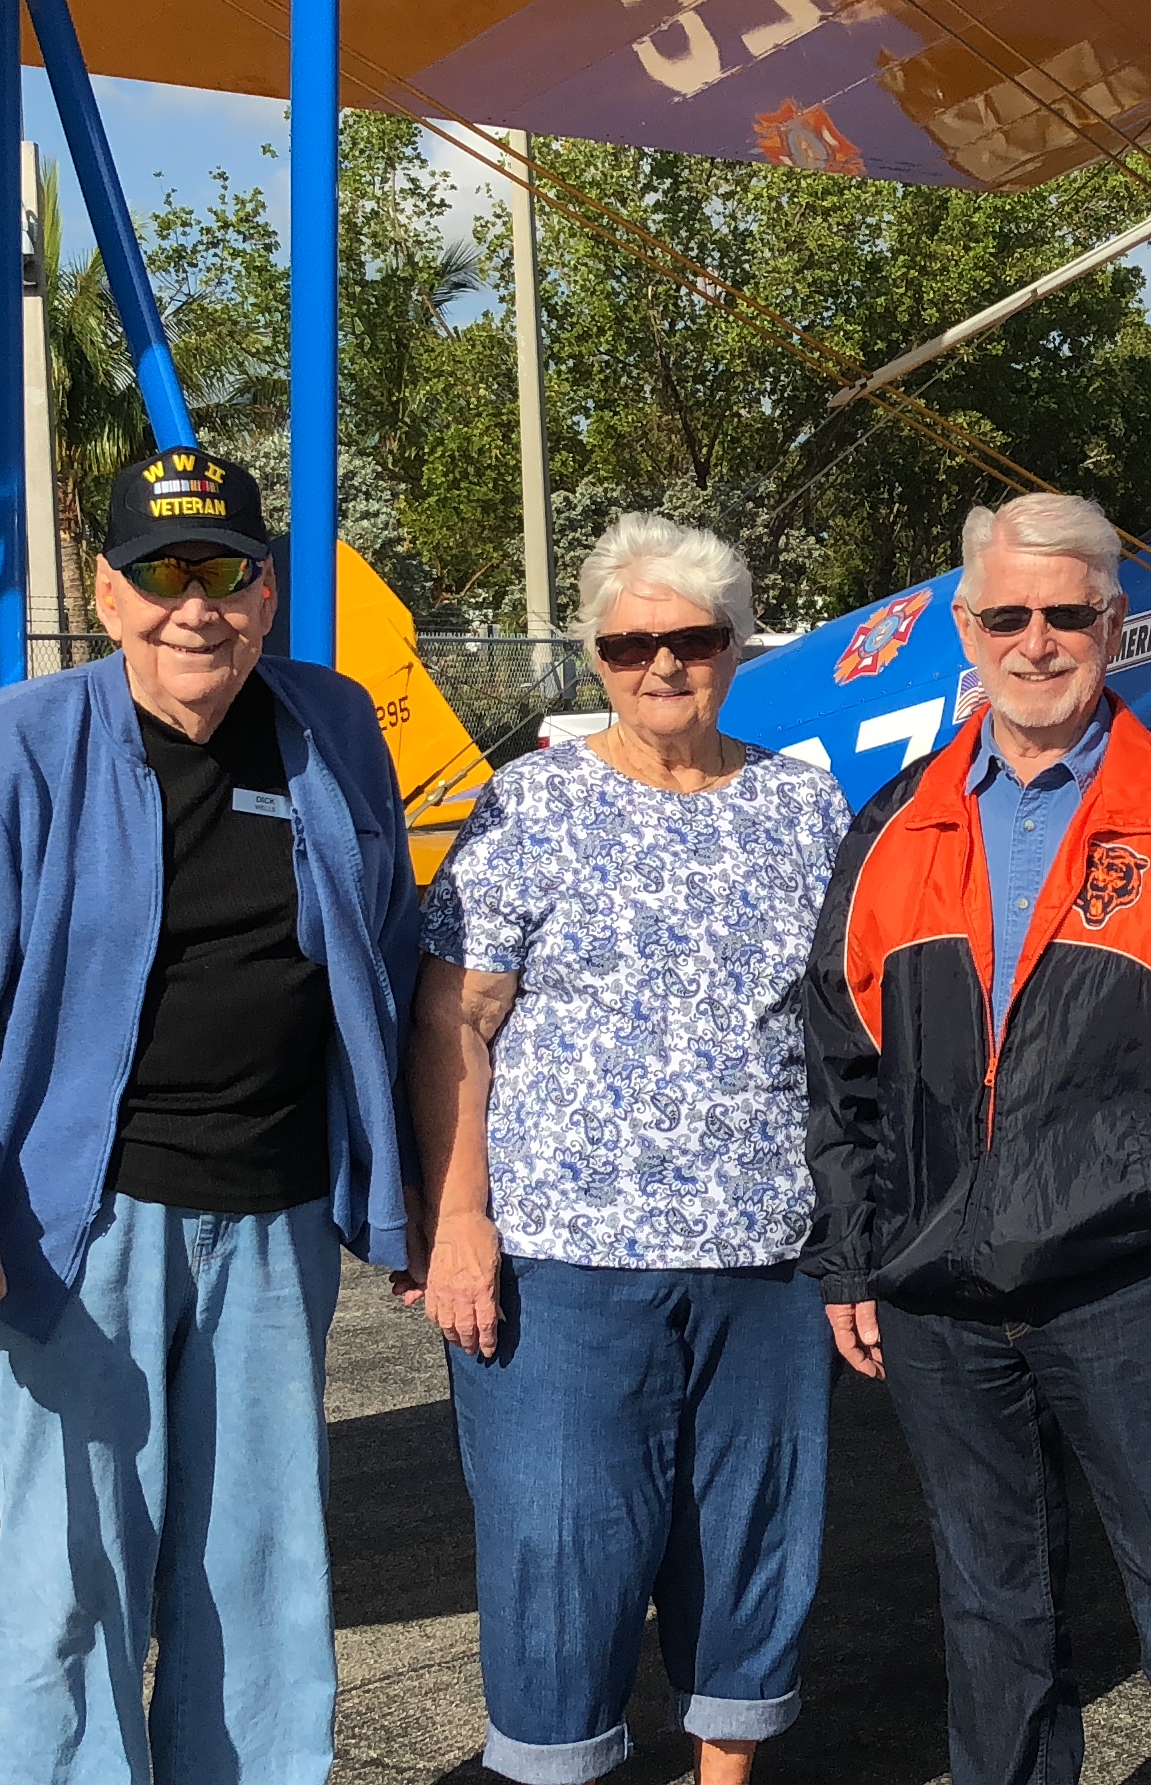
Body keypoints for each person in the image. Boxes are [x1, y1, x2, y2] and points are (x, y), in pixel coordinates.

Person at [0, 448, 424, 1783]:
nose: (198, 608)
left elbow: (393, 960)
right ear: (108, 595)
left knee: (263, 1579)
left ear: (268, 593)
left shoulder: (333, 725)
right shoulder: (20, 744)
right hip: (80, 1233)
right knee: (74, 1586)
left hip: (279, 1220)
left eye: (225, 573)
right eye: (162, 576)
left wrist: (414, 1189)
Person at [806, 491, 1151, 1785]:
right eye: (1006, 615)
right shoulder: (893, 829)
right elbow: (839, 1071)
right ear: (965, 626)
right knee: (996, 1627)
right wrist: (852, 1260)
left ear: (1113, 622)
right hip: (939, 1295)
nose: (1035, 641)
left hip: (1135, 1289)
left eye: (1065, 614)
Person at [410, 513, 852, 1785]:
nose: (662, 664)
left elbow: (848, 1019)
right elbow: (457, 1020)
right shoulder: (531, 804)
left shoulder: (802, 799)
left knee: (752, 1536)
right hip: (563, 1251)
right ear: (596, 656)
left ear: (735, 646)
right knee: (561, 1546)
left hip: (766, 1251)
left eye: (693, 638)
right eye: (628, 643)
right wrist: (456, 1220)